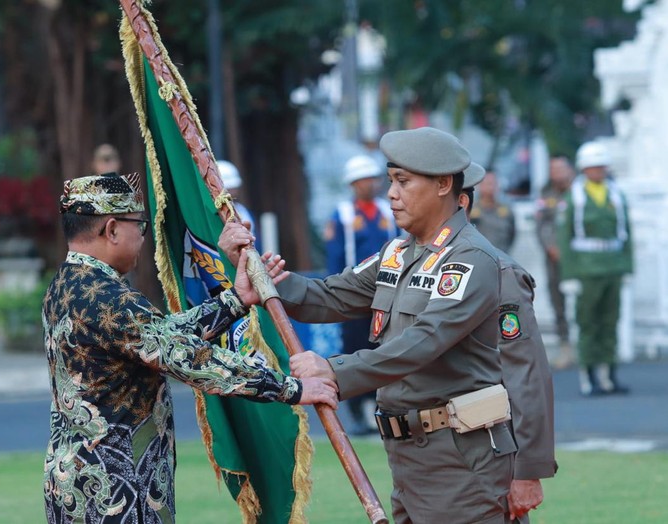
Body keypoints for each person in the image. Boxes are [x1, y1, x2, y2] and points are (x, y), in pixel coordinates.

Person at [222, 127, 518, 523]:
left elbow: (425, 340)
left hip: (461, 458)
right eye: (390, 180)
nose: (391, 193)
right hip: (410, 457)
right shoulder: (397, 253)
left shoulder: (471, 260)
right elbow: (330, 296)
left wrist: (333, 369)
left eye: (403, 181)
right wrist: (259, 274)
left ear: (445, 185)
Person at [43, 172, 338, 523]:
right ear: (111, 229)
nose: (142, 236)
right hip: (116, 490)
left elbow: (161, 336)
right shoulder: (107, 298)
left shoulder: (64, 285)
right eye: (140, 225)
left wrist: (235, 301)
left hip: (74, 481)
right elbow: (187, 358)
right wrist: (290, 387)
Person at [462, 163, 557, 523]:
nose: (395, 195)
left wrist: (528, 468)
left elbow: (526, 374)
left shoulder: (500, 271)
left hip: (487, 443)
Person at [323, 154, 398, 434]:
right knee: (354, 348)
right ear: (352, 184)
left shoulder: (387, 211)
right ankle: (357, 411)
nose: (370, 184)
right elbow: (335, 255)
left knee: (383, 347)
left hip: (386, 292)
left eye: (372, 178)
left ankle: (380, 407)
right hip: (356, 293)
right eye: (363, 179)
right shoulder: (342, 214)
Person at [559, 140, 633, 396]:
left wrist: (627, 268)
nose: (599, 171)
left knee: (610, 322)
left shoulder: (615, 194)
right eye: (594, 166)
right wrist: (569, 275)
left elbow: (627, 236)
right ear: (584, 169)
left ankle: (609, 374)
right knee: (588, 323)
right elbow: (565, 239)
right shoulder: (575, 197)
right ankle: (589, 375)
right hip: (587, 270)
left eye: (602, 166)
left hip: (612, 267)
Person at [535, 156, 575, 368]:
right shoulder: (546, 192)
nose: (557, 173)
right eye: (553, 170)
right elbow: (541, 223)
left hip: (579, 258)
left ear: (570, 169)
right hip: (554, 258)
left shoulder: (579, 191)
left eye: (561, 168)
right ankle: (565, 345)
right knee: (558, 302)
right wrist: (550, 246)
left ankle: (589, 347)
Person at [217, 159, 262, 252]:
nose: (231, 192)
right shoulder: (213, 216)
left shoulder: (245, 212)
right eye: (228, 188)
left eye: (234, 188)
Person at [470, 169, 516, 253]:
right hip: (478, 258)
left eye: (493, 183)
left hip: (502, 258)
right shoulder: (471, 210)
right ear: (480, 185)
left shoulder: (506, 211)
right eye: (488, 183)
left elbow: (512, 235)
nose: (491, 187)